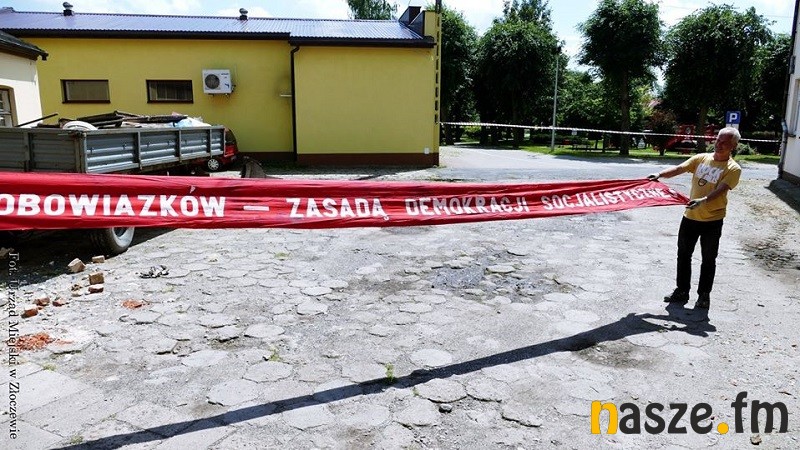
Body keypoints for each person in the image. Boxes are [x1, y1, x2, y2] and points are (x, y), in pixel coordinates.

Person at [647, 127, 742, 310]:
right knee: (683, 255)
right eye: (718, 140)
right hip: (690, 217)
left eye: (724, 142)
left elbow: (721, 189)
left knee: (708, 259)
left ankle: (704, 296)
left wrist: (703, 200)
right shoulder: (701, 158)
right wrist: (660, 175)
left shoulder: (733, 169)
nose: (719, 144)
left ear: (733, 146)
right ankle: (682, 290)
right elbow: (680, 168)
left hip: (712, 221)